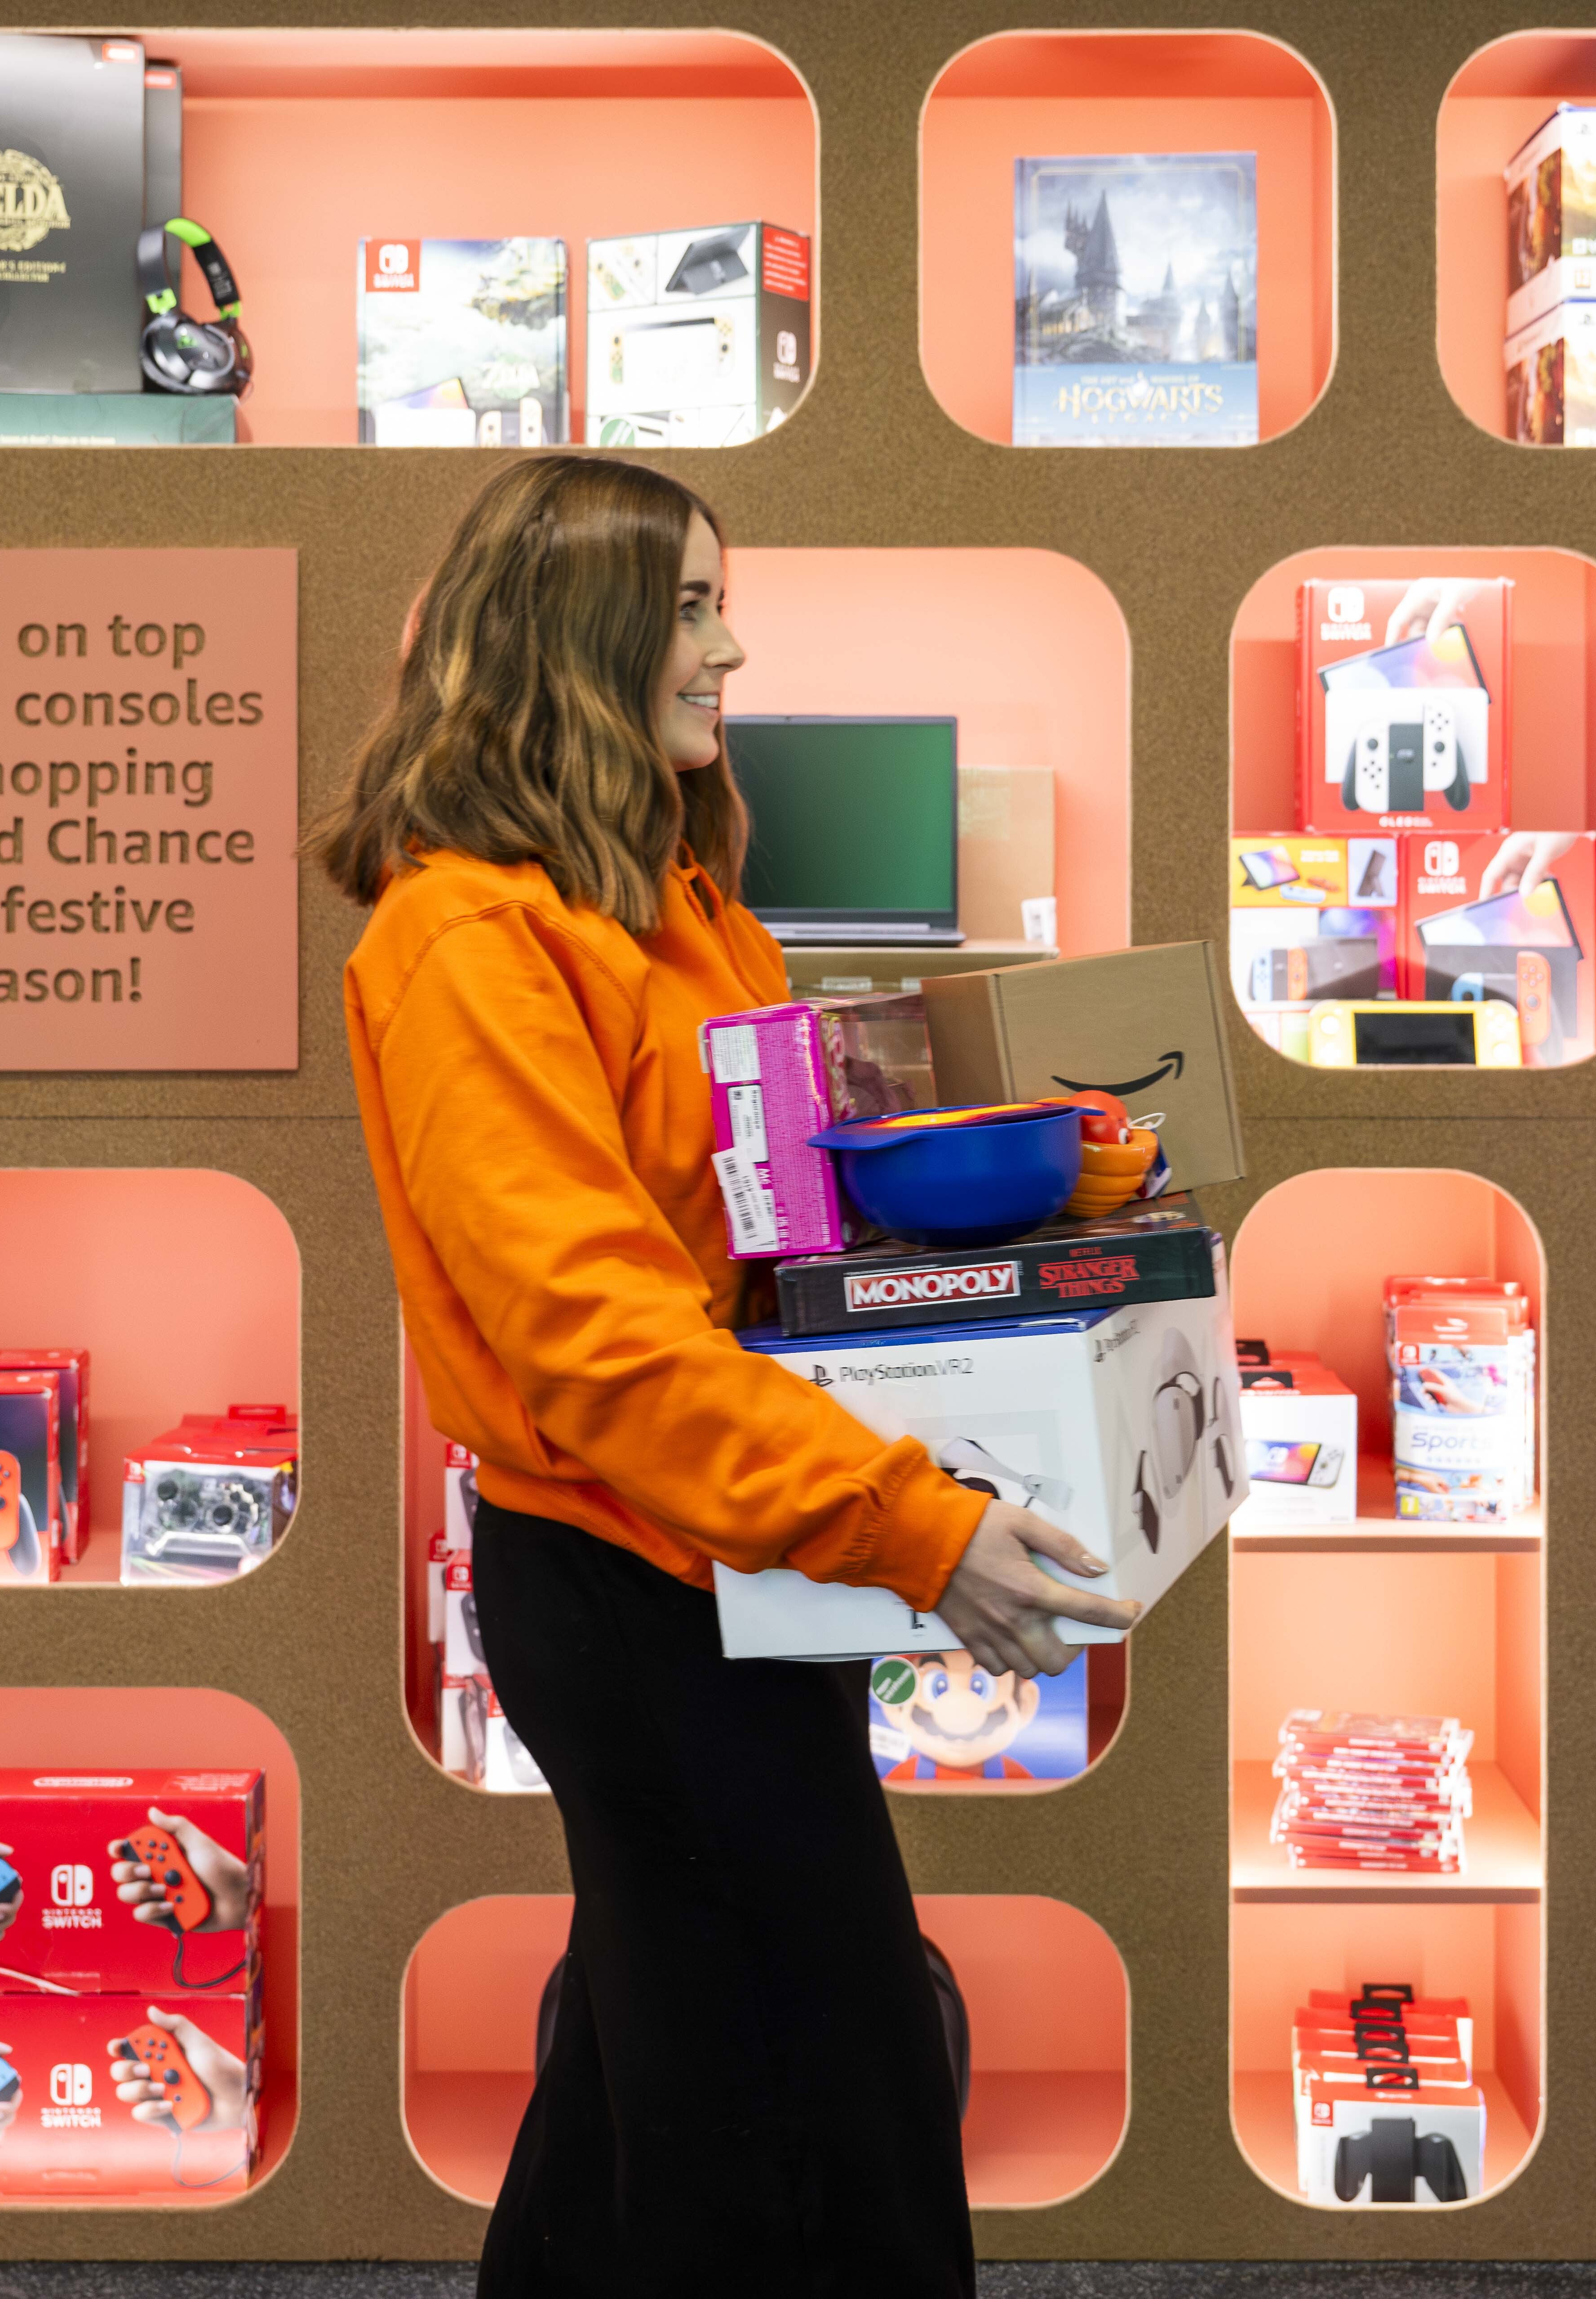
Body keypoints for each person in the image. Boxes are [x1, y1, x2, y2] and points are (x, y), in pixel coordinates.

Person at [316, 455, 1135, 2295]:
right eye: (689, 608)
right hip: (633, 1583)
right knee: (811, 2130)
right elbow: (597, 1337)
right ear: (575, 637)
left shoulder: (664, 899)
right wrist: (914, 1528)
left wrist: (1050, 1172)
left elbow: (768, 1181)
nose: (730, 646)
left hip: (718, 1562)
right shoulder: (469, 937)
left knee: (659, 2079)